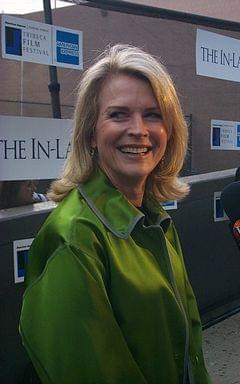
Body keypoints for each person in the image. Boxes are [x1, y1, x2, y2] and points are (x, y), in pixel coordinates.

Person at [19, 44, 212, 384]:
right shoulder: (74, 237)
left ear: (169, 131)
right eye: (118, 114)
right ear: (91, 133)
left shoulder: (155, 219)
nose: (138, 129)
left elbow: (189, 348)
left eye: (152, 114)